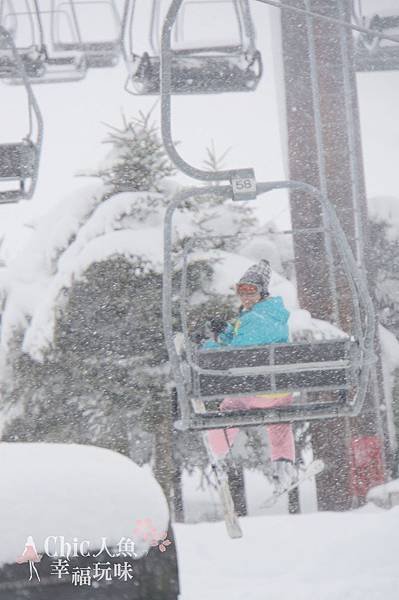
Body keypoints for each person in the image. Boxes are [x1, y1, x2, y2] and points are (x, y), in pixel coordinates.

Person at [203, 259, 297, 492]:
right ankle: (284, 464)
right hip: (278, 390)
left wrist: (207, 345)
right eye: (240, 290)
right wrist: (225, 330)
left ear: (262, 291)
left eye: (250, 290)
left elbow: (232, 354)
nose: (244, 296)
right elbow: (242, 340)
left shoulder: (253, 319)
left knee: (228, 410)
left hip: (252, 392)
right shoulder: (273, 315)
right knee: (279, 417)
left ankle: (219, 456)